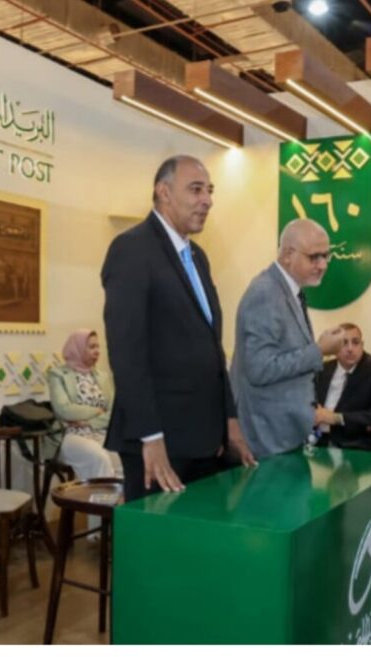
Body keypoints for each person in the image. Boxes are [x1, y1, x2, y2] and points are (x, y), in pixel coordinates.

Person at [101, 155, 255, 502]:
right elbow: (127, 353)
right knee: (157, 536)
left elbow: (212, 349)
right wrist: (150, 436)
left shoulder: (198, 257)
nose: (207, 200)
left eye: (210, 191)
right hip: (159, 444)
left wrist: (229, 419)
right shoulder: (132, 249)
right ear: (164, 192)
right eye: (196, 189)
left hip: (205, 441)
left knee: (200, 534)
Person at [230, 218, 344, 458]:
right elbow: (259, 369)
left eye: (326, 256)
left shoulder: (289, 290)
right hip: (266, 437)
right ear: (288, 254)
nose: (323, 265)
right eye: (314, 257)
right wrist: (319, 351)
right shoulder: (265, 292)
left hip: (285, 434)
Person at [47, 329, 122, 531]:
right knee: (99, 457)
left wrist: (89, 422)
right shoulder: (58, 375)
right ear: (77, 348)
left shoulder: (103, 376)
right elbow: (64, 409)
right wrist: (97, 411)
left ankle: (117, 524)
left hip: (99, 431)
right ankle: (98, 529)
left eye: (98, 346)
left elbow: (114, 411)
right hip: (71, 436)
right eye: (91, 347)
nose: (97, 351)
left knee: (121, 456)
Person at [312, 323, 371, 452]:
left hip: (356, 447)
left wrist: (337, 418)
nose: (350, 349)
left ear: (362, 345)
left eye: (355, 342)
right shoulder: (322, 370)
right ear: (334, 347)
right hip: (317, 443)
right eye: (344, 343)